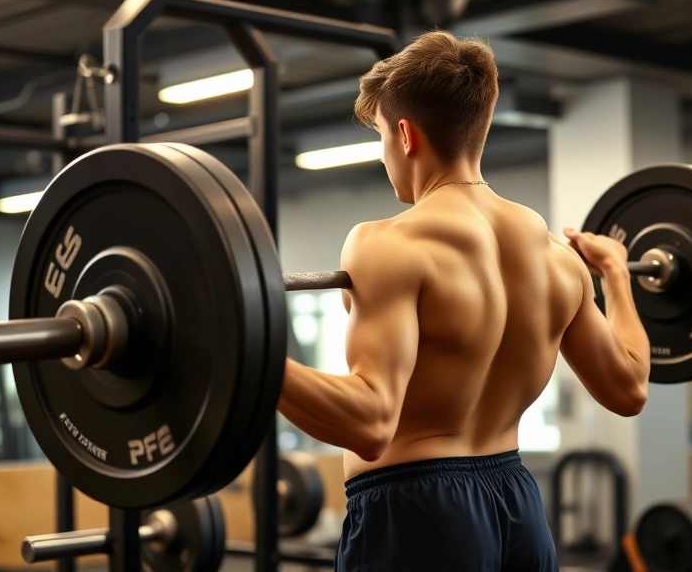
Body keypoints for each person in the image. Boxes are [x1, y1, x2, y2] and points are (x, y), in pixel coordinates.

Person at [277, 30, 651, 572]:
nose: (385, 155)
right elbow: (629, 386)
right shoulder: (559, 260)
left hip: (415, 513)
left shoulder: (388, 243)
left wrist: (245, 350)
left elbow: (371, 421)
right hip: (518, 508)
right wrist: (616, 272)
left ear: (405, 135)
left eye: (381, 134)